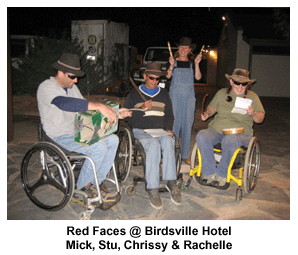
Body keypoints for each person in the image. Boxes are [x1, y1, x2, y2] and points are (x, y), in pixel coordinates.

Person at [37, 53, 132, 202]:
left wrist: (114, 113)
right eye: (72, 76)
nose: (76, 80)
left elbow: (85, 108)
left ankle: (96, 182)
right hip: (58, 136)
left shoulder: (72, 88)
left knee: (113, 140)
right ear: (60, 72)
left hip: (78, 131)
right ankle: (82, 188)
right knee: (99, 148)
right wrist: (99, 106)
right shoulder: (46, 87)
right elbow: (64, 103)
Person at [124, 63, 181, 209]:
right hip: (141, 130)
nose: (154, 81)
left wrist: (168, 128)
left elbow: (169, 115)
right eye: (151, 78)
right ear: (144, 76)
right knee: (154, 145)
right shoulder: (134, 93)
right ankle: (153, 187)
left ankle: (171, 181)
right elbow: (127, 116)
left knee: (169, 141)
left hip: (159, 130)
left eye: (157, 79)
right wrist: (139, 109)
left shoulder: (163, 94)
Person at [196, 68, 265, 188]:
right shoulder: (222, 93)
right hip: (218, 130)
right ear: (231, 82)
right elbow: (212, 108)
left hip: (240, 133)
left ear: (247, 84)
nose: (240, 86)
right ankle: (209, 173)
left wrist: (253, 113)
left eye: (243, 84)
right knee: (202, 135)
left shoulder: (252, 97)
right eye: (237, 83)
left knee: (229, 140)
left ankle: (222, 175)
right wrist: (207, 113)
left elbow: (260, 119)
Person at [166, 37, 202, 165]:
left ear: (190, 50)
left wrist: (197, 63)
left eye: (185, 47)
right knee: (175, 123)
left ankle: (185, 154)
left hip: (189, 96)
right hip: (175, 95)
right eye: (180, 47)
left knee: (187, 124)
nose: (182, 49)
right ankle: (172, 153)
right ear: (178, 48)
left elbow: (198, 77)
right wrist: (170, 66)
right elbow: (168, 76)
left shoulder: (192, 62)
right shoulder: (173, 61)